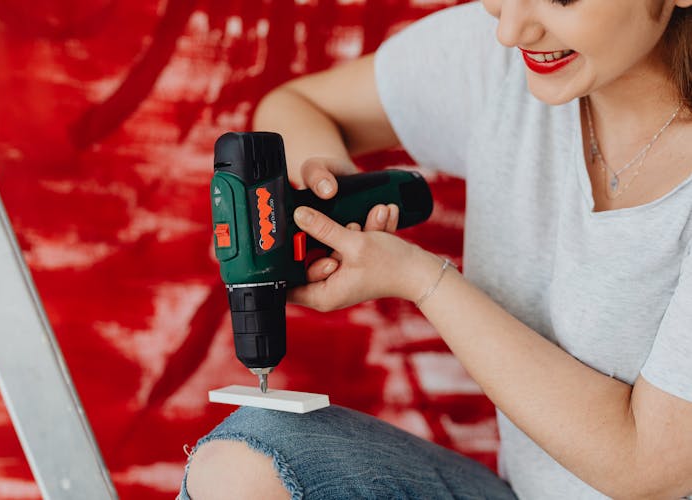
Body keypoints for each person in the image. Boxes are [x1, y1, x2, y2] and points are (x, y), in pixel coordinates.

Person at [181, 0, 692, 498]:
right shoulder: (503, 63)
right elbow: (296, 105)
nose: (510, 30)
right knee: (239, 468)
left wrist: (423, 281)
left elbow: (648, 467)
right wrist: (325, 184)